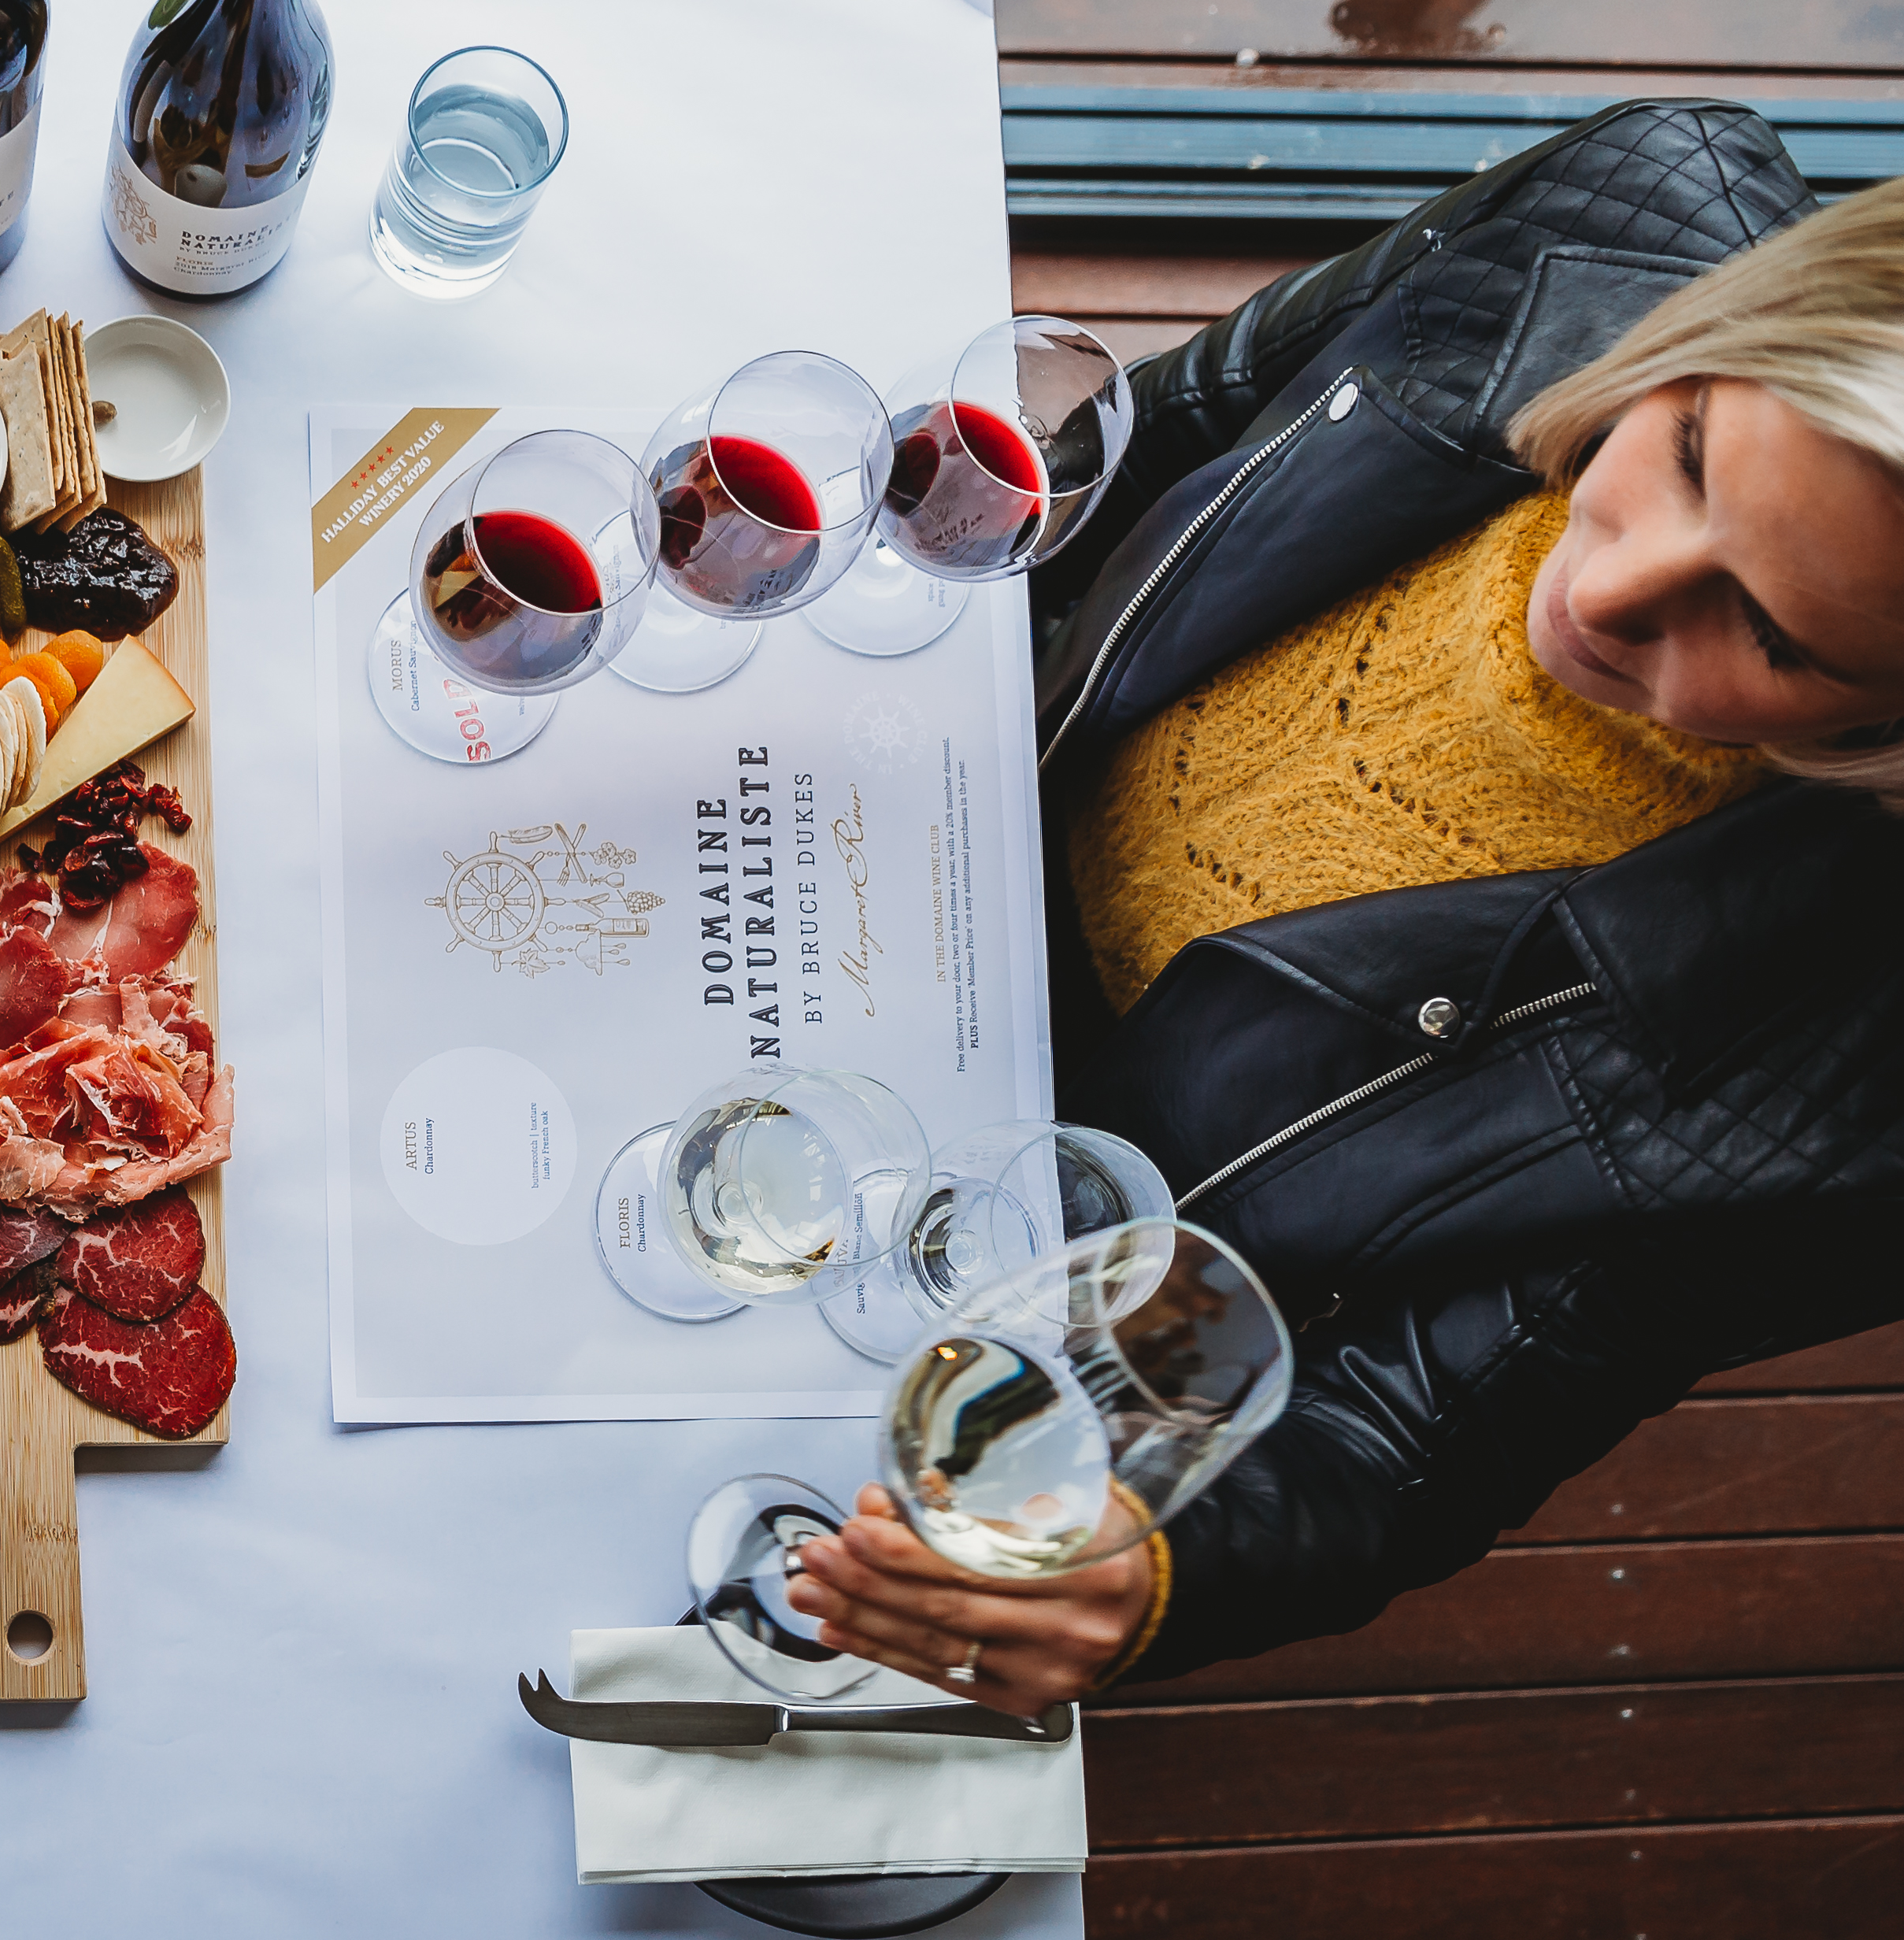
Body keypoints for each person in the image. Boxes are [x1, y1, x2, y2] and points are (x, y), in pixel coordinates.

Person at [785, 102, 1904, 1716]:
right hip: (861, 835)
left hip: (1006, 1232)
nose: (1605, 592)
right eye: (1681, 455)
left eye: (1773, 635)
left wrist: (1155, 1572)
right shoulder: (1638, 199)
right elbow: (1171, 427)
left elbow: (1410, 1431)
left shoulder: (1850, 1086)